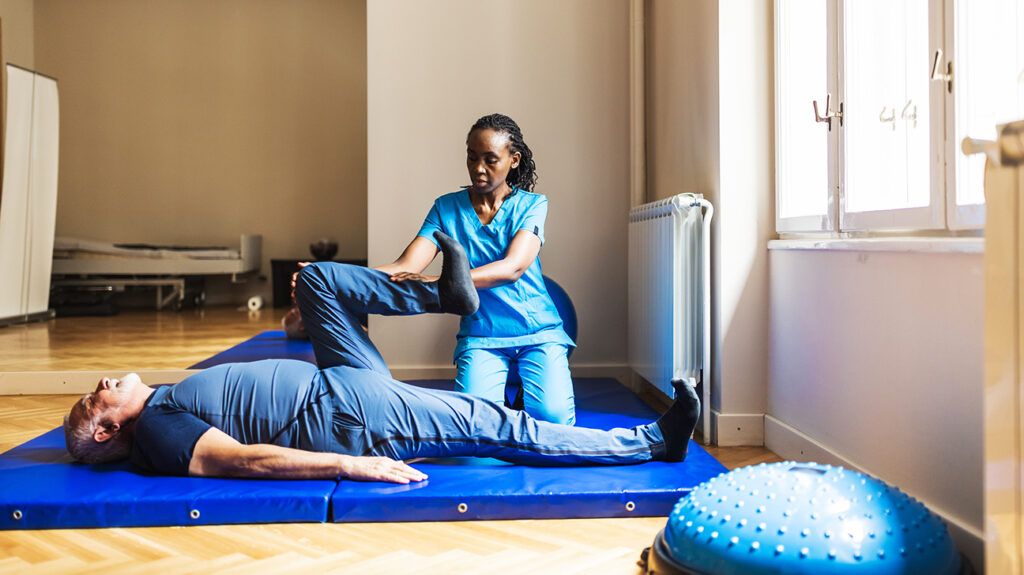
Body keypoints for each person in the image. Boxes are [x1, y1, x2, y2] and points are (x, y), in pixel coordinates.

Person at [63, 233, 701, 481]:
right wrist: (354, 464)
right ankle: (650, 443)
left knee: (315, 278)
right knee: (500, 426)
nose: (101, 380)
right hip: (349, 415)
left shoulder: (166, 403)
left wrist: (300, 321)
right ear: (108, 426)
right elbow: (248, 460)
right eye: (96, 396)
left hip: (337, 378)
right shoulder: (162, 431)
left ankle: (445, 294)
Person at [375, 113, 576, 426]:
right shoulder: (446, 207)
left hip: (537, 331)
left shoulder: (533, 204)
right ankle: (506, 407)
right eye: (471, 157)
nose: (478, 168)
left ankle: (524, 398)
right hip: (482, 335)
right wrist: (330, 276)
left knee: (553, 420)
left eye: (490, 159)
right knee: (476, 428)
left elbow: (513, 267)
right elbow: (406, 266)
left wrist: (442, 281)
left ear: (513, 160)